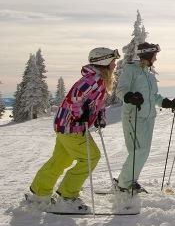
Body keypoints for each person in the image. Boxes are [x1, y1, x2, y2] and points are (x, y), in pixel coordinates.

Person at [26, 47, 120, 211]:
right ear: (104, 61)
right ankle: (67, 195)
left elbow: (97, 103)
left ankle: (39, 193)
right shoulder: (93, 80)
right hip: (72, 127)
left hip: (65, 124)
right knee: (91, 158)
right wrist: (80, 115)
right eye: (113, 60)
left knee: (61, 160)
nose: (115, 63)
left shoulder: (98, 79)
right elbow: (73, 100)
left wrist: (99, 117)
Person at [115, 42, 175, 193]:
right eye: (154, 56)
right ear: (147, 55)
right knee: (139, 150)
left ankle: (129, 180)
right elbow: (120, 90)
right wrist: (130, 97)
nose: (156, 59)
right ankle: (124, 184)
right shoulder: (131, 69)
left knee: (142, 152)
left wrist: (168, 102)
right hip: (134, 116)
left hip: (149, 117)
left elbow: (154, 96)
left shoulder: (149, 75)